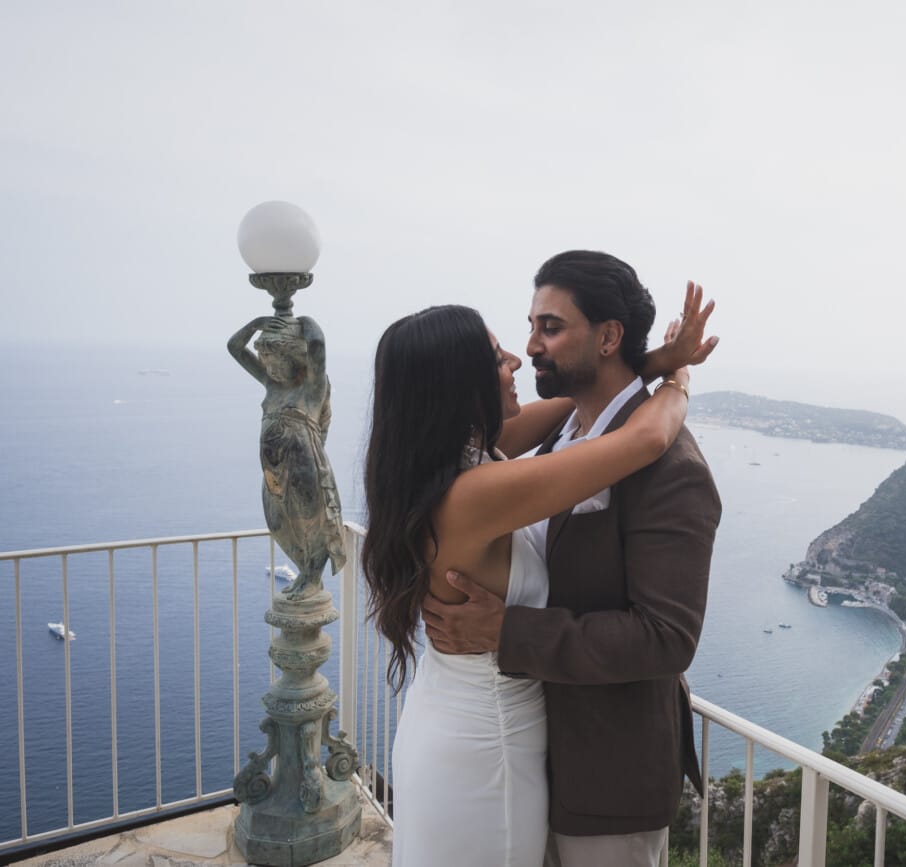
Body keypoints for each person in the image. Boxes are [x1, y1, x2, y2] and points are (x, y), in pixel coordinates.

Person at [364, 281, 716, 867]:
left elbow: (589, 402)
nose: (516, 358)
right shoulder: (474, 494)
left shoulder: (451, 458)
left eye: (544, 330)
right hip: (487, 749)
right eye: (495, 355)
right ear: (458, 385)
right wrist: (679, 379)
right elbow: (646, 436)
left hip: (457, 720)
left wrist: (656, 361)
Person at [227, 314, 346, 600]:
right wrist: (256, 324)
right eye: (267, 362)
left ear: (294, 358)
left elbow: (317, 346)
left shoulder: (311, 388)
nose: (271, 368)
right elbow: (234, 347)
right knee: (279, 525)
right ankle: (304, 573)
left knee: (310, 523)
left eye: (277, 362)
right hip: (273, 471)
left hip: (305, 469)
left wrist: (305, 321)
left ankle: (312, 578)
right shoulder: (272, 385)